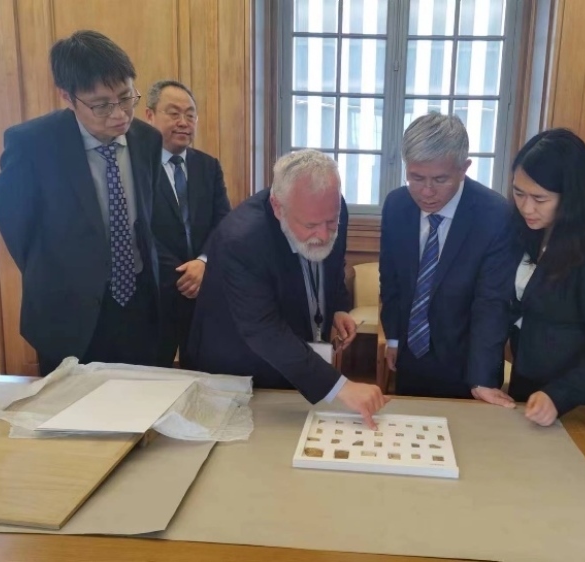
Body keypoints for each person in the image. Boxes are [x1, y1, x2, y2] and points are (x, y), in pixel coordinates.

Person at [0, 30, 163, 376]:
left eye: (126, 97)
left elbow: (148, 219)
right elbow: (16, 227)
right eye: (101, 105)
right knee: (70, 406)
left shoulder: (148, 140)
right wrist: (62, 275)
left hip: (138, 306)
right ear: (67, 97)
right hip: (67, 312)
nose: (119, 114)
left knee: (142, 399)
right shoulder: (32, 144)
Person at [186, 149, 388, 427]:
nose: (323, 234)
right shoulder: (241, 239)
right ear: (278, 207)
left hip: (291, 356)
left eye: (332, 222)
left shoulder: (330, 205)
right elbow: (263, 329)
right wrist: (341, 386)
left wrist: (338, 308)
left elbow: (333, 263)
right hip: (237, 369)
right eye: (311, 225)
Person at [480, 128, 585, 426]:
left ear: (572, 197)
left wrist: (560, 395)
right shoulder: (528, 230)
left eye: (540, 198)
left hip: (576, 401)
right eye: (518, 193)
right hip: (527, 384)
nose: (526, 207)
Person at [379, 113, 516, 399]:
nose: (427, 192)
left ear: (464, 168)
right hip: (411, 355)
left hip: (468, 362)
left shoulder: (494, 215)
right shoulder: (396, 206)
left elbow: (492, 304)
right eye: (416, 178)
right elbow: (391, 281)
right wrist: (393, 338)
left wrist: (481, 379)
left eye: (440, 179)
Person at [145, 80, 231, 367]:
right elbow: (139, 229)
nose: (183, 122)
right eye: (174, 113)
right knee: (152, 376)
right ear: (150, 115)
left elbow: (223, 222)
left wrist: (204, 262)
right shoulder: (137, 166)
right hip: (155, 296)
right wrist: (183, 274)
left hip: (203, 292)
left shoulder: (208, 166)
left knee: (204, 373)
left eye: (190, 115)